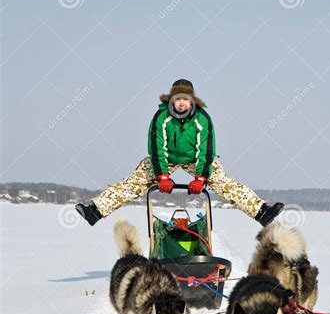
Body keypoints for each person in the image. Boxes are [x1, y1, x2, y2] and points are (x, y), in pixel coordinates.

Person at [75, 79, 284, 227]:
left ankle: (261, 211)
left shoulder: (202, 119)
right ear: (171, 100)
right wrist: (162, 176)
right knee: (135, 181)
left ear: (192, 101)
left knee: (223, 182)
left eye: (186, 99)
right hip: (167, 160)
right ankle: (95, 210)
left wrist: (201, 178)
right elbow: (157, 149)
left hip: (196, 160)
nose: (182, 102)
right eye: (178, 99)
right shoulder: (162, 117)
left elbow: (206, 151)